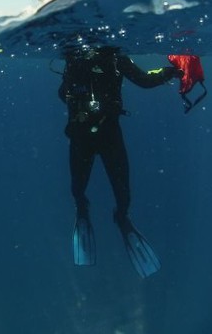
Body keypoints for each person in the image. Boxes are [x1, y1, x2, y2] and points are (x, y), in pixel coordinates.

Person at [58, 46, 184, 278]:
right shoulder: (77, 57)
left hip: (101, 135)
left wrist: (173, 71)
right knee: (82, 188)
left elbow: (144, 79)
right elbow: (63, 91)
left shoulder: (113, 57)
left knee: (119, 191)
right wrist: (173, 72)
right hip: (87, 134)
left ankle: (119, 216)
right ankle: (89, 209)